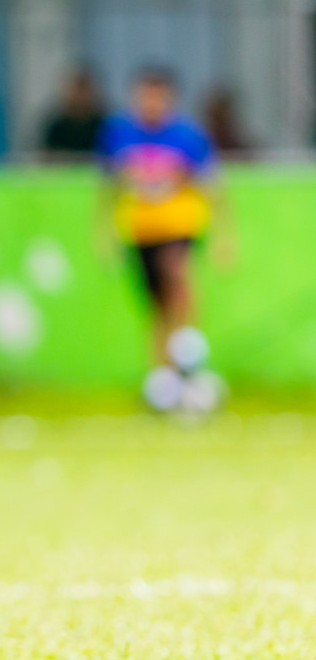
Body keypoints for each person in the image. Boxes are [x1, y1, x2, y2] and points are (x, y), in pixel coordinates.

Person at [97, 68, 233, 410]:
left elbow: (213, 186)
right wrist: (105, 231)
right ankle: (165, 379)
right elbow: (108, 187)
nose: (151, 103)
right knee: (156, 307)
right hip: (140, 230)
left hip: (179, 226)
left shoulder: (187, 136)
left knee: (177, 276)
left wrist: (224, 235)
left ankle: (190, 353)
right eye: (145, 95)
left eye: (157, 95)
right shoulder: (119, 133)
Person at [43, 68, 106, 158]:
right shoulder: (57, 127)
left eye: (84, 91)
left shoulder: (102, 125)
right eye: (76, 91)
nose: (80, 96)